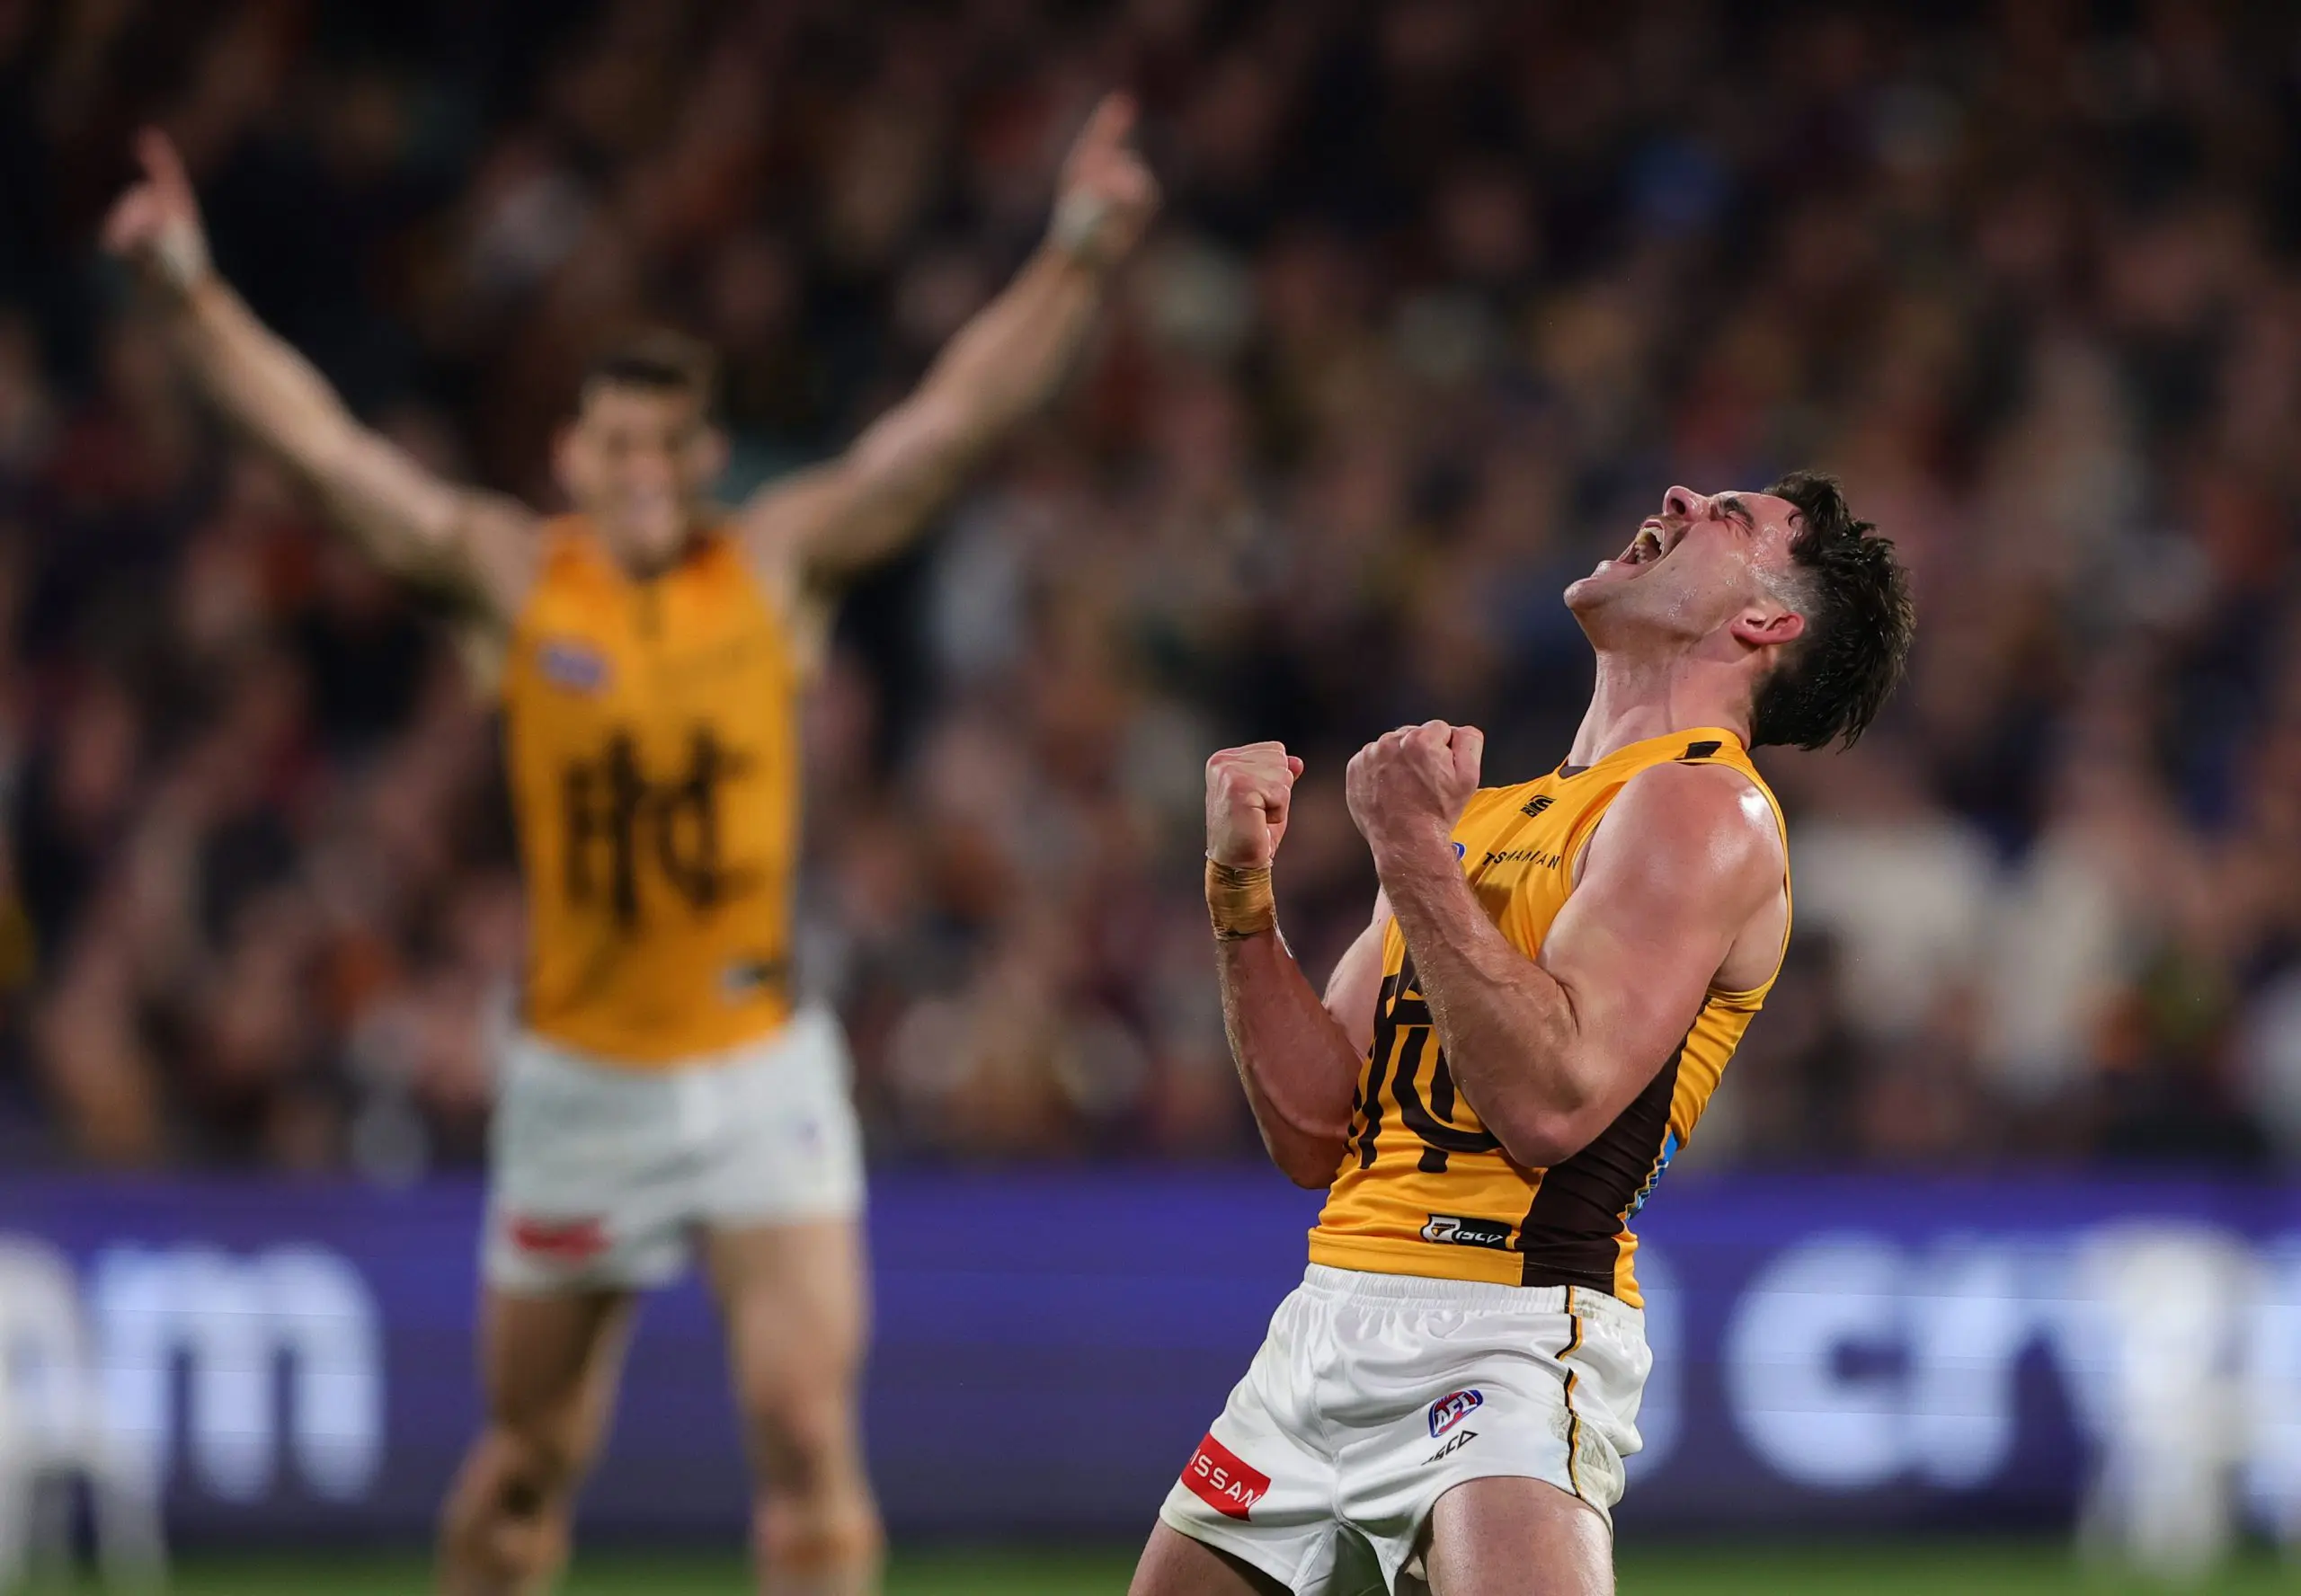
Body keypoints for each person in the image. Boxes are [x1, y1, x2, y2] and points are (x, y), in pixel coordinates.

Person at [102, 97, 1158, 1596]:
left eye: (672, 444)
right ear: (570, 455)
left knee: (806, 1443)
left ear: (709, 453)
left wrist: (1074, 252)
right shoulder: (512, 579)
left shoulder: (775, 566)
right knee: (531, 1462)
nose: (647, 470)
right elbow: (326, 455)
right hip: (580, 1081)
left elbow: (953, 420)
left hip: (755, 1066)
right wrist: (188, 291)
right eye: (618, 444)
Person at [1140, 479, 1914, 1595]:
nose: (1682, 494)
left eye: (1734, 518)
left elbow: (1553, 1104)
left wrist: (1408, 852)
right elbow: (1316, 1133)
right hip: (1325, 1317)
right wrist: (1239, 889)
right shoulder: (1488, 813)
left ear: (1766, 624)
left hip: (1503, 1326)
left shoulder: (1704, 808)